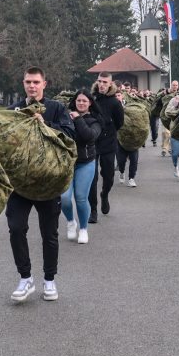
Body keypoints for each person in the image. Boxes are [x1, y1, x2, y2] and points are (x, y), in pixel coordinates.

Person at [7, 66, 76, 303]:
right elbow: (2, 141)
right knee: (16, 228)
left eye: (36, 82)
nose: (32, 86)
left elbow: (70, 135)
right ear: (23, 84)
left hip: (48, 183)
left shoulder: (57, 108)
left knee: (49, 234)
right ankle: (25, 278)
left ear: (44, 84)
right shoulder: (14, 110)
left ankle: (49, 280)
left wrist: (44, 123)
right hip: (20, 184)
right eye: (28, 82)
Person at [61, 90, 102, 245]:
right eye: (78, 100)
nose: (81, 103)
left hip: (86, 163)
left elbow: (89, 136)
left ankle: (83, 229)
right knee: (64, 198)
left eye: (84, 101)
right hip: (66, 163)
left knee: (80, 197)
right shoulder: (66, 117)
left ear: (90, 103)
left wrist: (78, 119)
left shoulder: (95, 121)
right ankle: (71, 221)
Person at [89, 72, 125, 223]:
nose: (101, 84)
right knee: (92, 178)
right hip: (91, 143)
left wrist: (108, 130)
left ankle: (104, 194)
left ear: (110, 84)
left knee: (108, 177)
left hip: (108, 144)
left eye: (105, 82)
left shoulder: (114, 102)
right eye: (99, 81)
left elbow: (120, 123)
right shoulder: (91, 99)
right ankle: (93, 210)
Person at [116, 91, 139, 187]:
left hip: (132, 137)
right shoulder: (112, 107)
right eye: (115, 96)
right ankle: (121, 172)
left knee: (134, 159)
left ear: (122, 96)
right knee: (121, 160)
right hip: (120, 138)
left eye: (118, 95)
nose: (117, 97)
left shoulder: (130, 105)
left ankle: (131, 178)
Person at [159, 80, 179, 157]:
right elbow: (158, 98)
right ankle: (164, 148)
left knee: (173, 134)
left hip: (174, 117)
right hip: (165, 116)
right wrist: (165, 93)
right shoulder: (165, 92)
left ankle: (170, 149)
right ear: (171, 85)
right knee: (165, 133)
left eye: (176, 85)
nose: (175, 87)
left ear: (178, 86)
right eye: (173, 85)